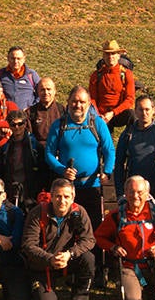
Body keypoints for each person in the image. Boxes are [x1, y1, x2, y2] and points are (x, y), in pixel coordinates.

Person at [22, 178, 96, 300]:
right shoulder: (38, 213)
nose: (62, 201)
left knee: (88, 258)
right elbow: (28, 245)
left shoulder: (79, 212)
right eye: (58, 196)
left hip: (67, 259)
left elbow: (89, 240)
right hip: (42, 264)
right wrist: (49, 259)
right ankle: (35, 288)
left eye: (66, 197)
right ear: (51, 196)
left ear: (73, 197)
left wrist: (70, 254)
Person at [45, 86, 114, 233]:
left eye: (82, 102)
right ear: (68, 102)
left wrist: (107, 172)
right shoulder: (59, 125)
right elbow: (49, 154)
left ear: (89, 104)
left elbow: (109, 150)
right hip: (67, 188)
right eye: (74, 101)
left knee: (92, 227)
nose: (78, 105)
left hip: (92, 186)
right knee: (67, 229)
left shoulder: (98, 123)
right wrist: (62, 170)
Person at [114, 96, 155, 201]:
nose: (144, 113)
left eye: (147, 109)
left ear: (153, 110)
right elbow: (119, 163)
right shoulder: (128, 133)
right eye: (140, 109)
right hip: (134, 192)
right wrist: (120, 193)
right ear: (135, 111)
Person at [0, 109, 39, 207]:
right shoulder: (5, 147)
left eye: (20, 124)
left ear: (25, 124)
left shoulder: (34, 145)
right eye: (13, 124)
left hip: (30, 190)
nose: (17, 127)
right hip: (10, 189)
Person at [88, 39, 136, 128]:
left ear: (119, 56)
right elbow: (92, 98)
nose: (110, 57)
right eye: (107, 54)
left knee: (132, 115)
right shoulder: (96, 75)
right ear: (103, 56)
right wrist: (98, 115)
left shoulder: (126, 74)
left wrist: (113, 113)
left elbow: (130, 99)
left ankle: (130, 138)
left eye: (113, 53)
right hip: (101, 115)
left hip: (118, 113)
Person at [0, 46, 40, 111]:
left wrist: (32, 109)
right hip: (7, 116)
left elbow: (40, 94)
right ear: (8, 58)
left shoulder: (31, 75)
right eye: (13, 58)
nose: (15, 61)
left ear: (24, 59)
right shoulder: (0, 74)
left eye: (18, 58)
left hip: (27, 116)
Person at [27, 77, 62, 146]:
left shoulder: (62, 110)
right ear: (38, 92)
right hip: (38, 151)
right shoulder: (31, 112)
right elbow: (29, 136)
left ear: (54, 91)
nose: (46, 92)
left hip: (58, 149)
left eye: (49, 89)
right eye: (42, 90)